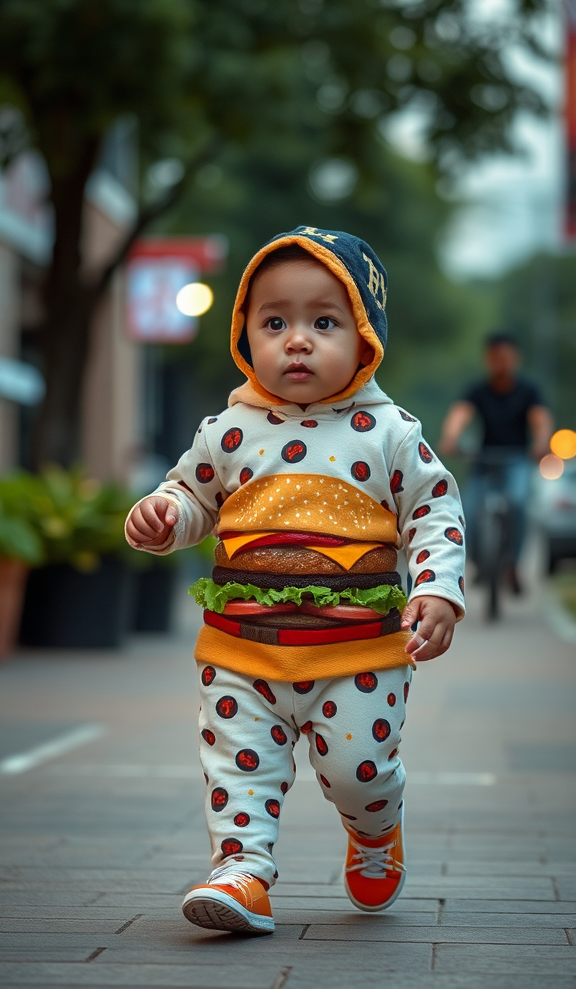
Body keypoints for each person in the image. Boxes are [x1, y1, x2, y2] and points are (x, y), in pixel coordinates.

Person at [125, 226, 466, 935]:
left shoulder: (389, 432)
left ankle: (375, 831)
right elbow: (194, 497)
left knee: (358, 770)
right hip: (241, 651)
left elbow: (434, 510)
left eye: (323, 321)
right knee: (237, 770)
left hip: (359, 657)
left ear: (365, 336)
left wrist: (437, 589)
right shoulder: (227, 430)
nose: (298, 340)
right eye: (275, 322)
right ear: (245, 335)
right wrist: (165, 513)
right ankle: (241, 872)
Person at [439, 333, 552, 591]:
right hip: (484, 459)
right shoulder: (478, 390)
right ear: (487, 359)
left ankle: (513, 562)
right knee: (466, 510)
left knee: (518, 503)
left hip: (517, 460)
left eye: (505, 357)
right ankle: (481, 561)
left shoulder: (528, 390)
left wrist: (541, 441)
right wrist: (450, 437)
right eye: (494, 357)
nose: (500, 362)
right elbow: (460, 413)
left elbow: (540, 419)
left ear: (515, 358)